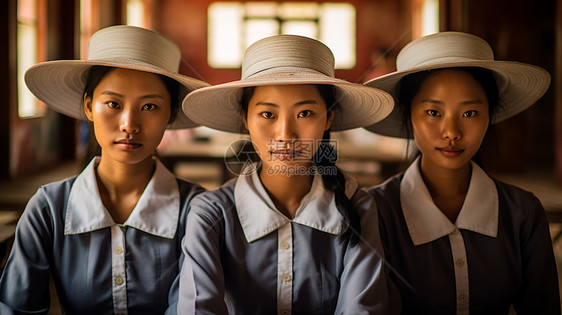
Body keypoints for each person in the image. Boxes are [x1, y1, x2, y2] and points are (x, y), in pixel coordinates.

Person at [177, 34, 396, 314]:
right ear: (245, 118)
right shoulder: (209, 213)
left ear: (328, 118)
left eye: (305, 113)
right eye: (268, 114)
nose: (285, 135)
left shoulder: (358, 208)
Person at [0, 25, 209, 314]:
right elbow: (16, 307)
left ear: (170, 114)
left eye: (149, 107)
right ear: (88, 106)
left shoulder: (198, 209)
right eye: (112, 103)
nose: (129, 124)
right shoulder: (48, 208)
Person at [363, 31, 560, 314]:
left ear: (489, 116)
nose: (452, 132)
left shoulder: (523, 213)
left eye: (469, 113)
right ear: (408, 114)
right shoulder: (375, 212)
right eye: (433, 112)